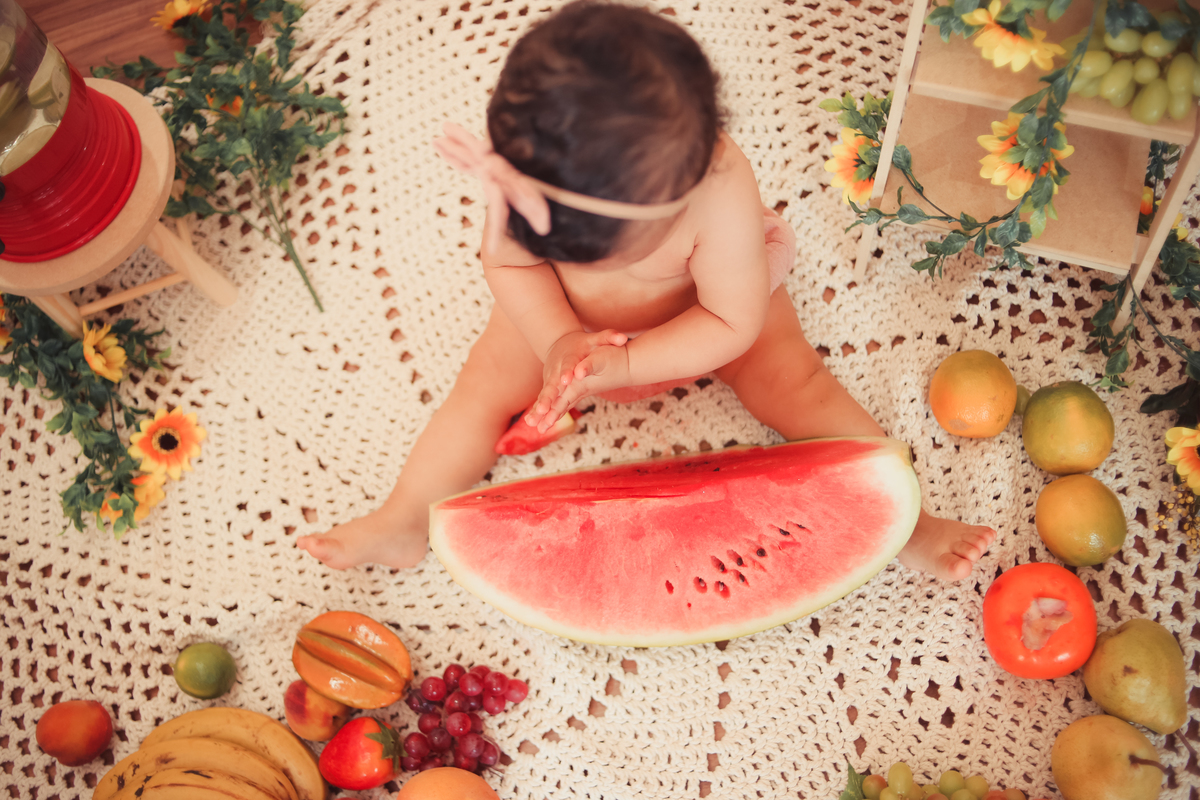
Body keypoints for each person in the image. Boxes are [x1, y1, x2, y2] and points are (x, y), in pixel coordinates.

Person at [297, 0, 995, 580]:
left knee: (799, 383)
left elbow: (732, 319)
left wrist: (631, 363)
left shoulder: (718, 185)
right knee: (478, 389)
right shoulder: (527, 173)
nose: (580, 261)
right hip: (559, 315)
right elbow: (512, 268)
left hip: (705, 313)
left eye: (600, 251)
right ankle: (404, 519)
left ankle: (908, 522)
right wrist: (557, 338)